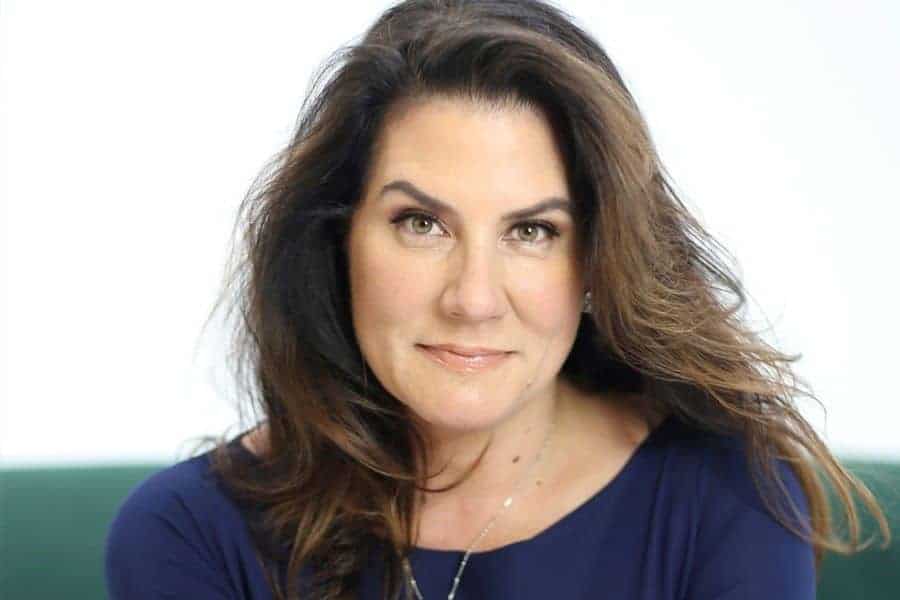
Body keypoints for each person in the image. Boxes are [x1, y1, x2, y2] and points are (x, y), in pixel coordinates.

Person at [104, 1, 891, 599]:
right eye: (421, 224)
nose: (473, 299)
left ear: (599, 259)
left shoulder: (726, 495)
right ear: (337, 237)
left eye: (532, 231)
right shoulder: (191, 533)